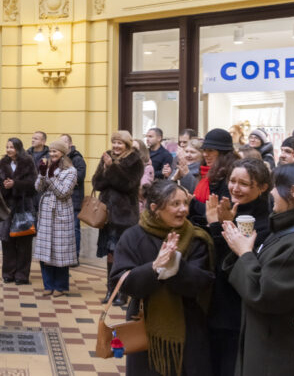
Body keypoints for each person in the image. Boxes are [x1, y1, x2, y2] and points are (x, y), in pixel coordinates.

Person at [222, 161, 294, 376]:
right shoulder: (289, 229)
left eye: (276, 187)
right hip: (267, 344)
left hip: (277, 353)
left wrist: (244, 253)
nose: (272, 193)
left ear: (293, 191)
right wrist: (242, 250)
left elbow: (265, 294)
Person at [111, 179, 215, 376]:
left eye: (185, 203)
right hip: (144, 326)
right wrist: (154, 268)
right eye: (175, 204)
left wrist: (176, 265)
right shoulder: (133, 237)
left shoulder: (196, 238)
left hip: (188, 328)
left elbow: (202, 283)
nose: (183, 209)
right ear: (155, 208)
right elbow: (120, 281)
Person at [203, 158, 272, 376]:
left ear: (262, 187)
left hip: (239, 311)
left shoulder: (265, 222)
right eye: (232, 181)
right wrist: (216, 223)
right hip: (216, 306)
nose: (235, 188)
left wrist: (220, 227)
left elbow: (233, 265)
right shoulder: (227, 210)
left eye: (244, 183)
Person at [92, 130, 144, 306]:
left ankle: (123, 292)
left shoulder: (135, 160)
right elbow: (97, 183)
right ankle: (111, 289)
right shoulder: (107, 157)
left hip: (125, 216)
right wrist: (106, 169)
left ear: (127, 144)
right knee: (110, 254)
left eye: (119, 143)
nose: (116, 146)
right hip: (107, 216)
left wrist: (112, 169)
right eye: (114, 142)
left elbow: (128, 185)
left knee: (123, 255)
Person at [34, 139, 78, 297]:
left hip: (61, 212)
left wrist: (51, 177)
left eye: (55, 151)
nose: (52, 154)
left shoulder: (71, 171)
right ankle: (48, 285)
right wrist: (41, 174)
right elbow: (38, 188)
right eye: (51, 151)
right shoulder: (47, 168)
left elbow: (63, 193)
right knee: (45, 249)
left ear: (63, 153)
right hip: (46, 213)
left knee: (60, 251)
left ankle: (60, 286)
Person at [0, 137, 36, 285]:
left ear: (18, 148)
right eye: (7, 147)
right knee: (7, 243)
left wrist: (16, 184)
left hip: (23, 208)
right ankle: (8, 274)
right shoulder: (0, 165)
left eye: (12, 147)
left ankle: (22, 275)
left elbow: (33, 185)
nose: (9, 150)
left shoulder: (28, 162)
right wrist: (4, 187)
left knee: (24, 243)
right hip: (6, 208)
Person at [189, 128, 237, 227]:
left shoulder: (230, 177)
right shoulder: (206, 172)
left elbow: (218, 212)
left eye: (210, 150)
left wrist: (193, 202)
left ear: (223, 153)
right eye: (204, 150)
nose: (205, 154)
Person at [60, 134, 87, 256]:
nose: (62, 144)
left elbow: (80, 177)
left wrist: (64, 178)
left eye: (65, 142)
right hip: (61, 199)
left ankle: (74, 255)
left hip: (74, 200)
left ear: (70, 144)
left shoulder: (77, 159)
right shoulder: (58, 158)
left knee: (74, 228)